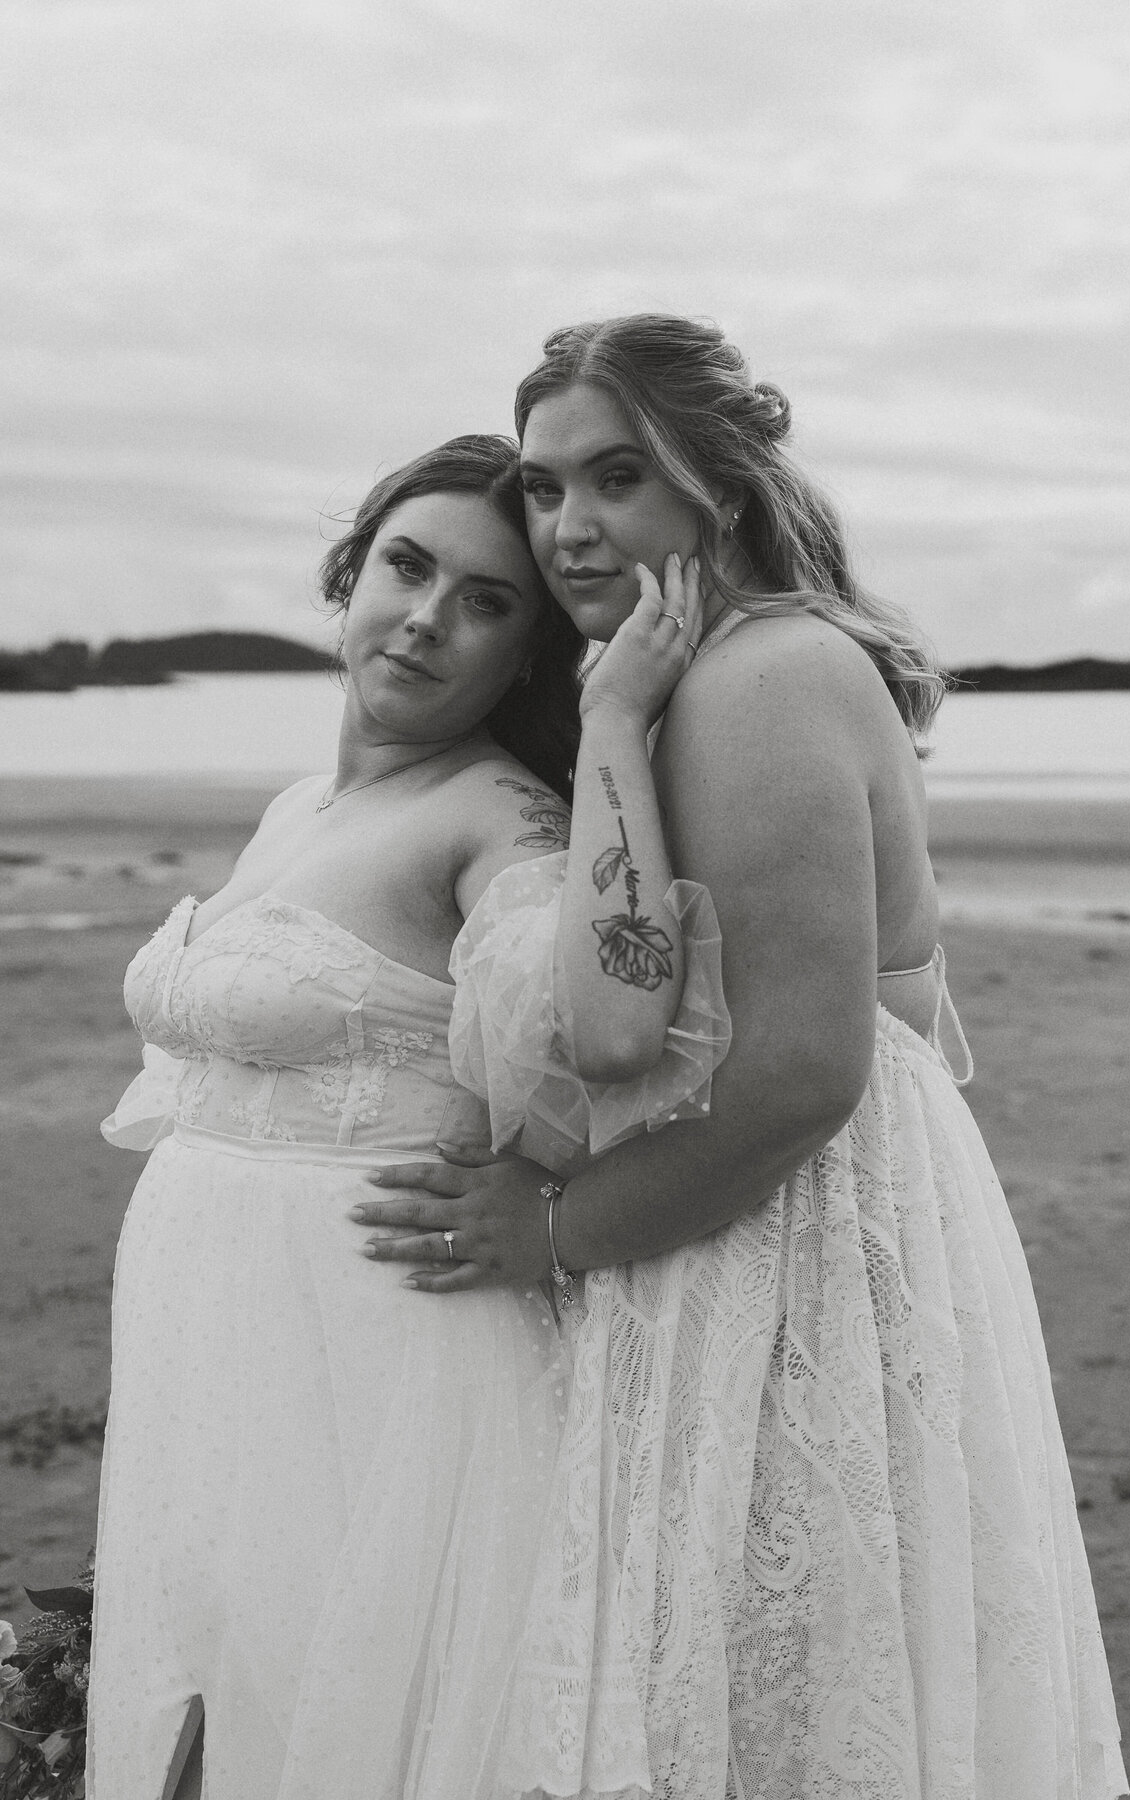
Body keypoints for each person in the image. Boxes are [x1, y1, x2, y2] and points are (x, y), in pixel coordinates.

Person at [354, 318, 1130, 1800]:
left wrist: (558, 1229)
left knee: (775, 1697)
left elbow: (801, 1077)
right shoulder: (683, 675)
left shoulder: (768, 674)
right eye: (545, 486)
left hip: (796, 1227)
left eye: (618, 478)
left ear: (717, 484)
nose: (569, 527)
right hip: (722, 1215)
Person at [87, 434, 731, 1800]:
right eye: (407, 567)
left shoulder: (498, 820)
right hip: (209, 1346)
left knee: (366, 1728)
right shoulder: (297, 807)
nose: (429, 617)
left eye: (487, 602)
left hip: (384, 1362)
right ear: (351, 574)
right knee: (219, 1706)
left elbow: (618, 1033)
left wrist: (616, 726)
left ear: (527, 652)